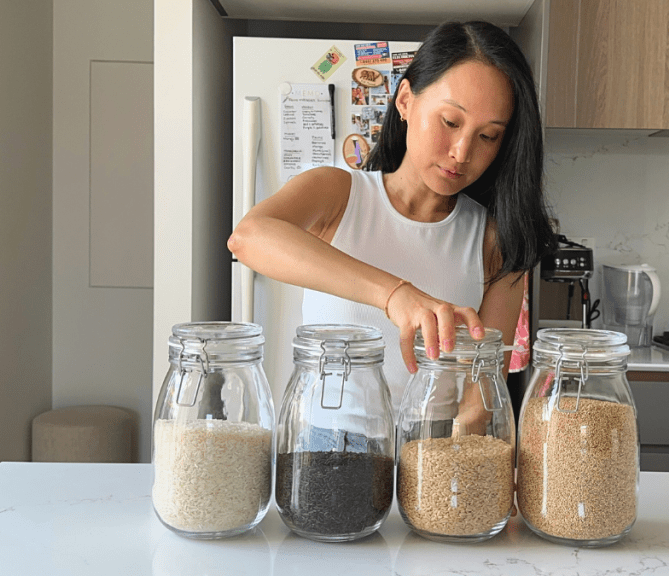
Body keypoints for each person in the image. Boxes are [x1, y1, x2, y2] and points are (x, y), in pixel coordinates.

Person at [228, 21, 556, 429]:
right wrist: (395, 296)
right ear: (405, 100)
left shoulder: (496, 239)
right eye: (451, 122)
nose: (462, 152)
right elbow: (248, 237)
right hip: (331, 444)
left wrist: (449, 473)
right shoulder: (337, 192)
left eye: (488, 136)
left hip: (431, 450)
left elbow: (478, 401)